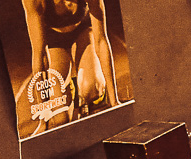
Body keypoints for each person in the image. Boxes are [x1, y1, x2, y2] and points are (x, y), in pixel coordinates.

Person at [21, 0, 120, 132]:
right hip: (54, 41)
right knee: (60, 118)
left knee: (92, 90)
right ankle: (71, 85)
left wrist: (114, 102)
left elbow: (101, 40)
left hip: (83, 32)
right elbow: (40, 55)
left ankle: (83, 95)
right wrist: (43, 121)